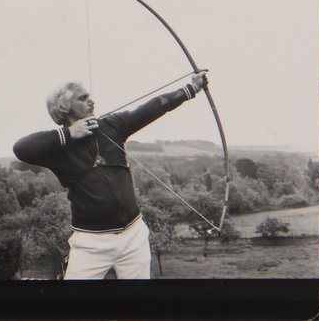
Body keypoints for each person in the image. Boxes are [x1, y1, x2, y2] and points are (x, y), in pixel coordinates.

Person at [13, 73, 210, 279]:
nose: (91, 101)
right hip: (91, 243)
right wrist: (69, 134)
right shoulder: (58, 147)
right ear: (64, 107)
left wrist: (190, 89)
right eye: (82, 98)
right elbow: (21, 148)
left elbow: (154, 107)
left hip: (133, 236)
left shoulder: (113, 125)